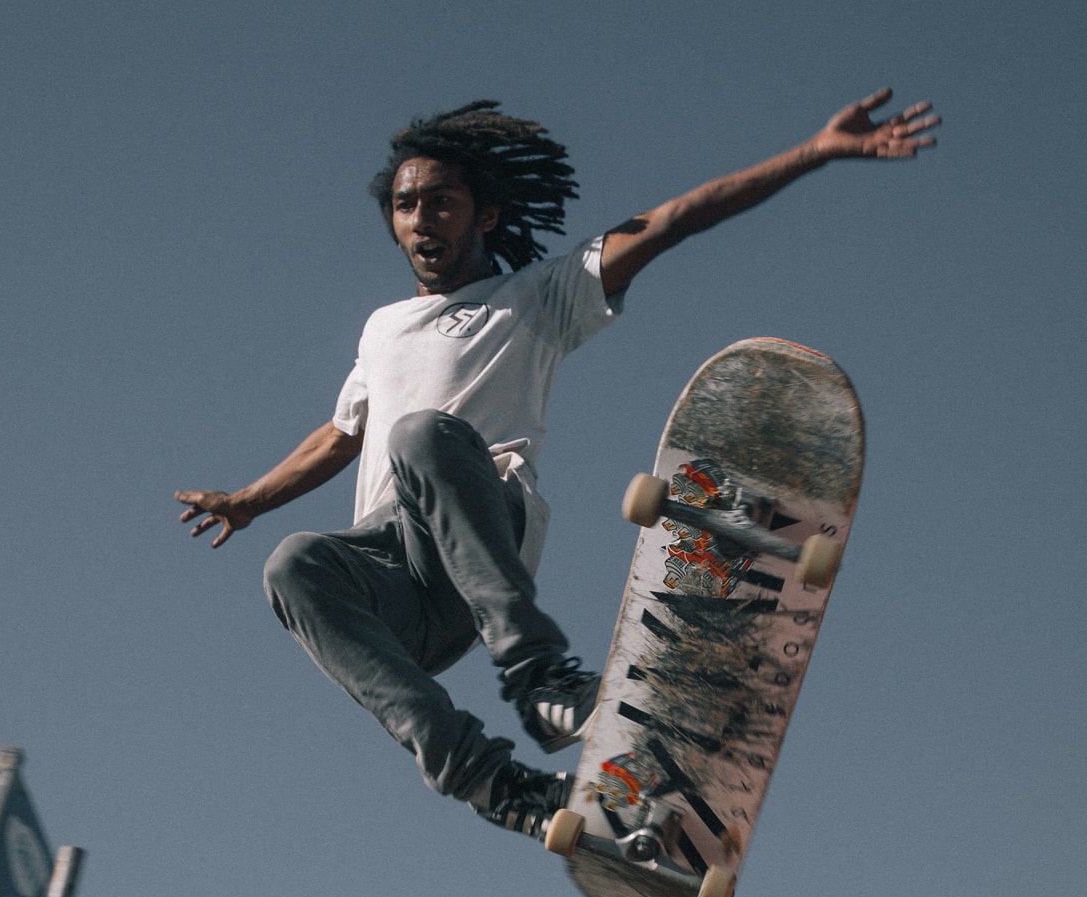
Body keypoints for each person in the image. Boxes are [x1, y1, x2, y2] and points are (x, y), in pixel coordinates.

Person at [175, 88, 939, 839]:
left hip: (483, 529)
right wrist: (249, 500)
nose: (421, 221)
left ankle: (540, 678)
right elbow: (340, 434)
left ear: (487, 215)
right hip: (401, 583)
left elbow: (672, 221)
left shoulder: (538, 297)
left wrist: (813, 152)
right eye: (407, 207)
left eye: (441, 202)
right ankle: (493, 782)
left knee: (421, 437)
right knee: (292, 564)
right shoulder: (382, 329)